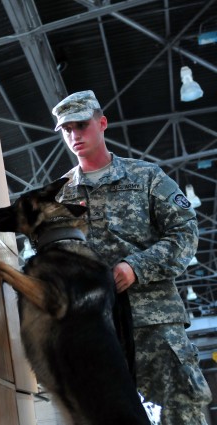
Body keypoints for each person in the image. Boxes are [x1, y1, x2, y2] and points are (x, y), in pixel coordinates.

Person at [50, 90, 213, 424]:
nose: (74, 135)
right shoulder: (60, 195)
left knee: (183, 405)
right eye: (66, 129)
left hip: (152, 321)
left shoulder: (145, 177)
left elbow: (184, 233)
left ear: (102, 123)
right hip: (96, 328)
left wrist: (136, 267)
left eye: (81, 125)